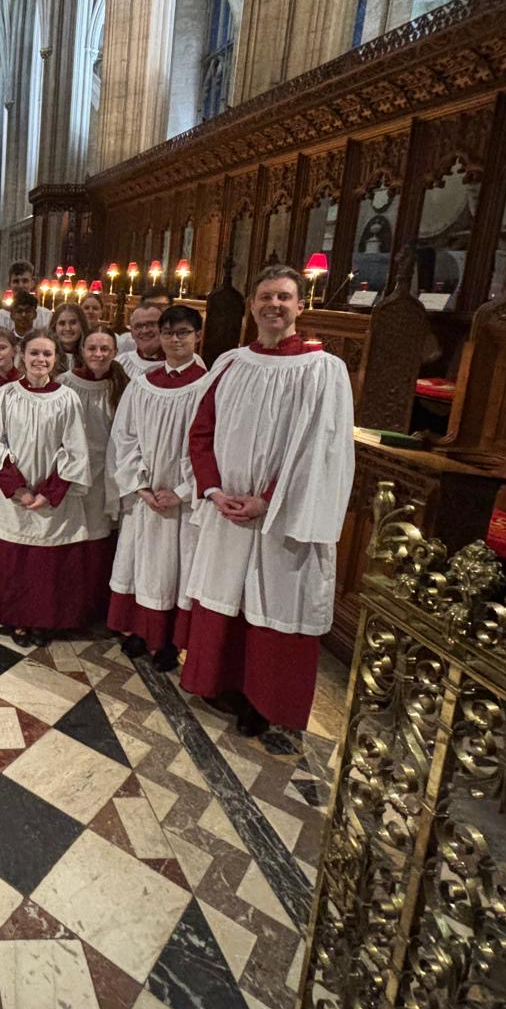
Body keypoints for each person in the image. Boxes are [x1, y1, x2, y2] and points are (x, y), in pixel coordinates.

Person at [180, 267, 354, 736]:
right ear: (252, 306)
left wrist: (268, 501)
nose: (274, 305)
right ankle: (218, 684)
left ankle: (264, 700)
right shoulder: (230, 364)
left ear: (300, 305)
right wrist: (214, 490)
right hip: (225, 508)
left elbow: (324, 451)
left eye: (284, 297)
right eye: (265, 296)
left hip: (282, 517)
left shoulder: (323, 370)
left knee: (274, 601)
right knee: (223, 594)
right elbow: (201, 432)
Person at [0, 331, 92, 646]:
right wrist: (18, 489)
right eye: (34, 353)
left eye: (47, 354)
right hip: (13, 495)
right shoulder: (6, 395)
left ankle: (44, 621)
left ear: (56, 358)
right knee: (14, 562)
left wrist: (48, 493)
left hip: (52, 496)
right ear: (22, 355)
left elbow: (75, 450)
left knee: (45, 566)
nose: (40, 360)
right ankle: (16, 618)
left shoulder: (67, 398)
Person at [107, 306, 207, 669]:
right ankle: (140, 630)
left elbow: (213, 445)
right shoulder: (144, 384)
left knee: (178, 569)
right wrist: (140, 484)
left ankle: (169, 640)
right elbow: (124, 436)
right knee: (141, 563)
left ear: (197, 336)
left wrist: (182, 491)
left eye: (183, 333)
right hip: (146, 495)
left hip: (184, 501)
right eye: (168, 333)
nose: (175, 340)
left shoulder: (209, 386)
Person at [61, 327, 130, 621]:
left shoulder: (123, 386)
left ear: (115, 352)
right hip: (71, 476)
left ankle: (92, 609)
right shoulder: (65, 383)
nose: (98, 354)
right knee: (69, 542)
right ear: (82, 351)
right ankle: (67, 608)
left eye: (105, 349)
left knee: (98, 545)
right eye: (92, 348)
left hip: (106, 476)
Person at [0, 261, 50, 329]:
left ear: (32, 283)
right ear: (9, 284)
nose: (20, 286)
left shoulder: (46, 316)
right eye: (16, 281)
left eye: (25, 281)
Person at [118, 287, 173, 356]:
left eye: (161, 306)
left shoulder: (180, 341)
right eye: (149, 305)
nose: (154, 310)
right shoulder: (127, 342)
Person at [118, 304, 168, 378]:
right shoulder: (121, 363)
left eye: (151, 324)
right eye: (138, 326)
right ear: (132, 333)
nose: (145, 331)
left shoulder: (181, 364)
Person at [49, 302, 88, 372]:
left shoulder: (91, 356)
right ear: (54, 327)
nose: (68, 328)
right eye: (62, 323)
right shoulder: (45, 356)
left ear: (82, 325)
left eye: (73, 323)